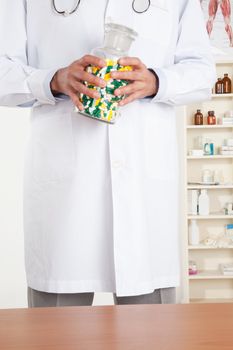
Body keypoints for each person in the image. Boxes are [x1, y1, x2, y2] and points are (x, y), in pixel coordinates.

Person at [0, 0, 215, 307]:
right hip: (65, 199)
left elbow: (203, 71)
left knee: (151, 332)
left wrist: (156, 81)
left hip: (143, 192)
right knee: (56, 334)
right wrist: (52, 80)